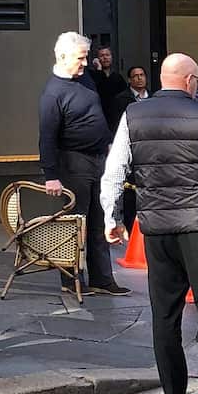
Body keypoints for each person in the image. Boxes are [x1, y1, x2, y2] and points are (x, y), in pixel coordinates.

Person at [98, 53, 198, 394]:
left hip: (157, 229)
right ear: (191, 80)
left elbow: (114, 171)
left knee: (165, 315)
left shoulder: (132, 115)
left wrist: (110, 218)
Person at [39, 32, 129, 296]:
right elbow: (46, 137)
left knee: (100, 219)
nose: (85, 62)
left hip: (99, 157)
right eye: (81, 58)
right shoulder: (52, 93)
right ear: (63, 57)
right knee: (75, 222)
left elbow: (107, 99)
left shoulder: (87, 77)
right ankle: (71, 279)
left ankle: (102, 278)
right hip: (73, 161)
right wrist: (51, 175)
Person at [89, 45, 129, 126]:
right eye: (102, 55)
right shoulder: (92, 75)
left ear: (111, 57)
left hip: (115, 117)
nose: (105, 58)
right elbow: (101, 89)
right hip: (99, 116)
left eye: (107, 55)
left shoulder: (117, 77)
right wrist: (99, 70)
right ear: (97, 59)